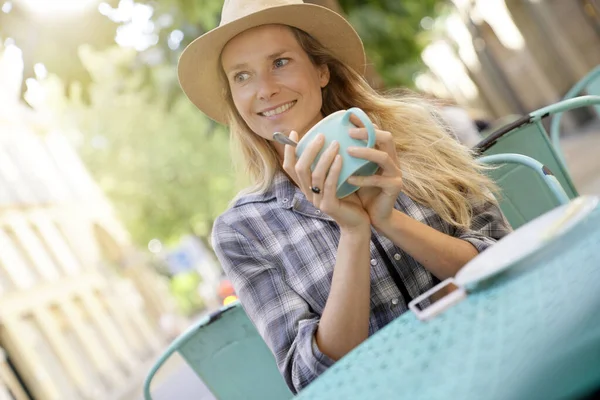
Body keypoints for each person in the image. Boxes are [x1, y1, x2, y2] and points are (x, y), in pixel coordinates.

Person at [177, 0, 512, 393]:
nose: (265, 89)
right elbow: (312, 377)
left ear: (321, 70)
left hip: (500, 346)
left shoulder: (416, 134)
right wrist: (354, 233)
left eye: (280, 62)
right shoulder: (242, 230)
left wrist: (389, 220)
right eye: (242, 76)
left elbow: (505, 258)